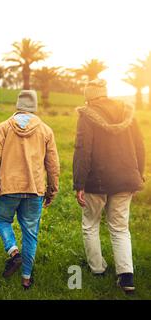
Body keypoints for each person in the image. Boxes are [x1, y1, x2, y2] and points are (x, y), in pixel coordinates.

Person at [73, 79, 145, 294]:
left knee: (90, 224)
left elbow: (82, 151)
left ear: (89, 97)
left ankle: (97, 269)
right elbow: (140, 146)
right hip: (126, 178)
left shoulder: (86, 115)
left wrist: (79, 184)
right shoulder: (127, 112)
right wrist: (138, 174)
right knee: (120, 228)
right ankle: (126, 276)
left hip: (97, 181)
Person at [0, 90, 60, 289]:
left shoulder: (4, 127)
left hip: (8, 189)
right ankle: (26, 278)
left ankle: (13, 252)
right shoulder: (45, 130)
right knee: (31, 233)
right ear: (35, 106)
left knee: (2, 220)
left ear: (17, 106)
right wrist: (52, 190)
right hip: (35, 190)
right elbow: (53, 165)